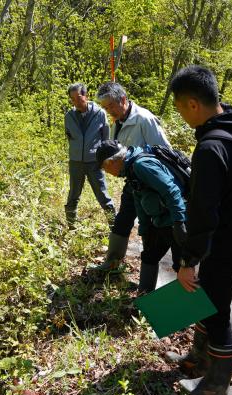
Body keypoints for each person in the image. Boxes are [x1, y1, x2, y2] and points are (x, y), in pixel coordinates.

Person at [168, 65, 232, 395]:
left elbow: (203, 213)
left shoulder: (210, 147)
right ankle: (197, 360)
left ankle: (214, 388)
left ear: (193, 103)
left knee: (216, 310)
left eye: (179, 108)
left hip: (224, 242)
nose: (180, 115)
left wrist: (187, 260)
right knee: (208, 299)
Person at [92, 82, 171, 271]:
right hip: (133, 183)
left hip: (151, 183)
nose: (109, 111)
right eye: (105, 108)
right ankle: (112, 262)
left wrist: (142, 160)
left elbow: (164, 151)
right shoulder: (116, 123)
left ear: (123, 100)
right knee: (122, 221)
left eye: (111, 106)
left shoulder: (144, 119)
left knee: (150, 228)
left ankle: (149, 269)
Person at [95, 140, 187, 292]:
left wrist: (179, 222)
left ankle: (187, 309)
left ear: (112, 162)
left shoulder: (142, 165)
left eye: (105, 168)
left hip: (177, 219)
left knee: (182, 267)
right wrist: (144, 230)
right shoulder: (130, 170)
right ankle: (144, 297)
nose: (107, 173)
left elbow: (172, 191)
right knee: (149, 255)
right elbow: (139, 202)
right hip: (160, 221)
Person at [64, 83, 115, 228]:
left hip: (94, 162)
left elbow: (106, 139)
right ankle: (71, 226)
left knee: (103, 195)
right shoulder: (68, 116)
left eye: (79, 98)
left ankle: (115, 227)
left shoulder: (100, 114)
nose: (76, 102)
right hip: (75, 162)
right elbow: (70, 137)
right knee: (73, 195)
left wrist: (104, 160)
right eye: (72, 99)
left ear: (86, 96)